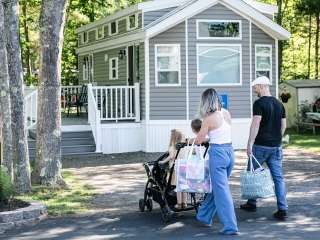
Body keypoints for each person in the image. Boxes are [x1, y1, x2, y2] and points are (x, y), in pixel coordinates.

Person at [240, 76, 288, 220]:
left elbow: (256, 124)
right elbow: (283, 125)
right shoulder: (280, 104)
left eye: (255, 87)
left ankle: (252, 203)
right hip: (276, 146)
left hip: (260, 146)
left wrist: (249, 143)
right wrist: (277, 138)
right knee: (278, 178)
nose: (254, 90)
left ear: (261, 86)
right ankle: (282, 209)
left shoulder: (259, 103)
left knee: (252, 173)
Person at [195, 88, 239, 235]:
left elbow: (199, 139)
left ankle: (231, 227)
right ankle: (204, 216)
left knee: (222, 192)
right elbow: (220, 133)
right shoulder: (226, 113)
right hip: (229, 152)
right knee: (217, 189)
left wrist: (191, 140)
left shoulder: (208, 119)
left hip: (218, 154)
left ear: (205, 102)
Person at [159, 129, 188, 209]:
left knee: (178, 187)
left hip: (176, 169)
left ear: (173, 137)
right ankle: (184, 203)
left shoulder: (173, 146)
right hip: (184, 168)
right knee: (183, 187)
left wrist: (163, 161)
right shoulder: (184, 146)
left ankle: (179, 204)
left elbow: (171, 156)